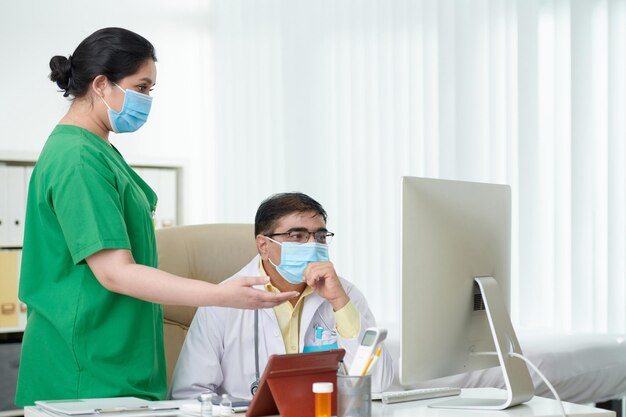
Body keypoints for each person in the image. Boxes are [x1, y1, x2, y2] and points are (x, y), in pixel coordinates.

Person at [15, 27, 297, 406]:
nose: (147, 100)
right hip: (84, 372)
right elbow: (115, 271)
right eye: (142, 87)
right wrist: (219, 295)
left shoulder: (98, 150)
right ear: (101, 84)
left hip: (114, 364)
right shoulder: (78, 159)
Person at [170, 192, 394, 400]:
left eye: (320, 236)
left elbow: (378, 386)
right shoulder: (222, 301)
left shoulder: (345, 295)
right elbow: (189, 395)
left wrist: (339, 302)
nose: (312, 245)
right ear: (264, 246)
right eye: (297, 235)